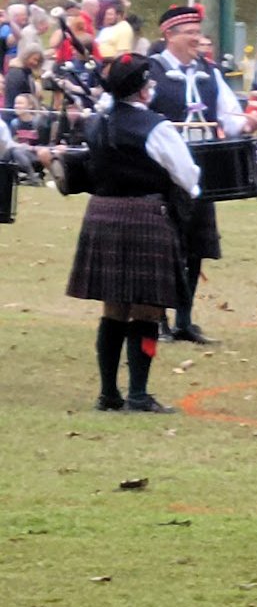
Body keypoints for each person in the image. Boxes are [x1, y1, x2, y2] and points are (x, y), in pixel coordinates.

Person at [64, 53, 200, 413]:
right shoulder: (157, 127)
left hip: (102, 214)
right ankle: (138, 394)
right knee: (147, 310)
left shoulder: (96, 123)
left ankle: (108, 393)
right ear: (141, 89)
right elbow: (188, 177)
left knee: (114, 307)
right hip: (145, 215)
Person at [147, 5, 257, 344]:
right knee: (166, 249)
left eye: (198, 32)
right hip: (162, 173)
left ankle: (184, 319)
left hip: (202, 172)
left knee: (194, 248)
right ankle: (158, 320)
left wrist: (247, 122)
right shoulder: (151, 73)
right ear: (169, 35)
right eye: (190, 33)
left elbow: (229, 116)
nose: (198, 38)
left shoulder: (210, 75)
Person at [3, 44, 40, 124]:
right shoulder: (17, 74)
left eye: (38, 61)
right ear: (26, 56)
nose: (35, 63)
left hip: (24, 117)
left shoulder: (26, 73)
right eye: (34, 59)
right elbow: (13, 101)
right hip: (13, 119)